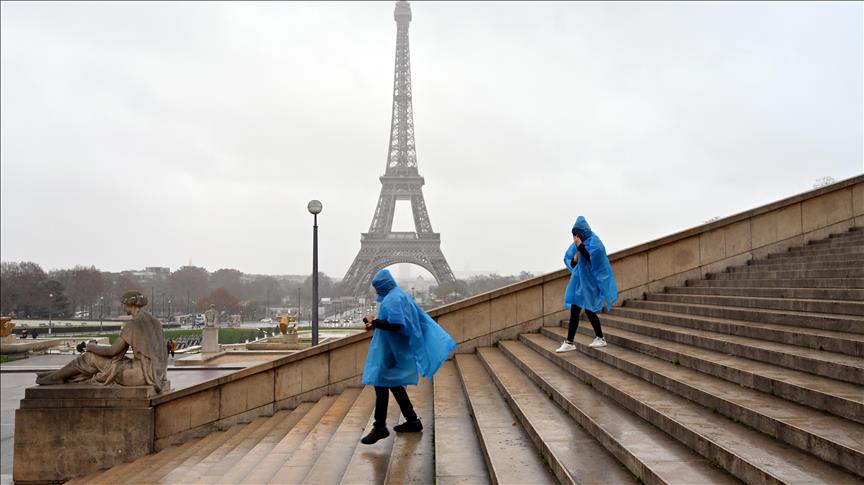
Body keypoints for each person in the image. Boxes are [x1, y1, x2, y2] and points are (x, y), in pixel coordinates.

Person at [359, 269, 456, 445]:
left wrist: (374, 322)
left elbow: (396, 324)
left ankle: (380, 426)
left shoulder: (392, 299)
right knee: (393, 384)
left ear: (382, 286)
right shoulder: (397, 295)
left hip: (392, 350)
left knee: (381, 384)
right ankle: (412, 420)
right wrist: (375, 323)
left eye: (377, 288)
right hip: (395, 348)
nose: (376, 291)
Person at [35, 291, 170, 392]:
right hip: (157, 373)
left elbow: (112, 351)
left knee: (89, 358)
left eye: (123, 304)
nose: (123, 307)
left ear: (129, 304)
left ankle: (56, 377)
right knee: (100, 364)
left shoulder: (133, 324)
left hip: (137, 375)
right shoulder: (155, 322)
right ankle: (60, 375)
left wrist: (91, 346)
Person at [556, 216, 618, 353]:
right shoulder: (580, 244)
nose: (576, 237)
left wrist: (580, 247)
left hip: (591, 283)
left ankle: (600, 338)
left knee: (589, 311)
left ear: (582, 232)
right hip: (580, 283)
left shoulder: (595, 243)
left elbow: (593, 261)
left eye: (577, 234)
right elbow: (573, 263)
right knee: (575, 310)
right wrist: (575, 257)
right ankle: (570, 341)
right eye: (574, 235)